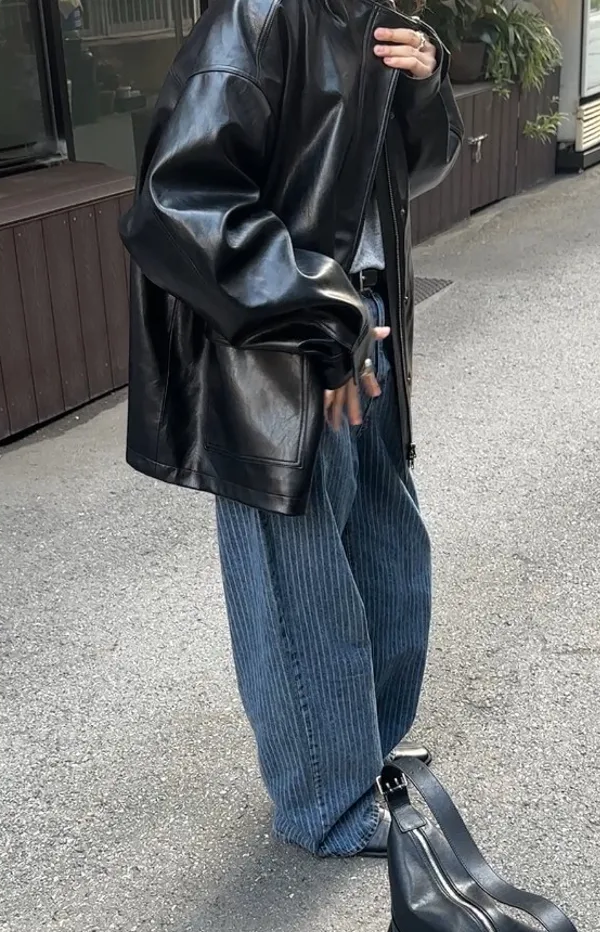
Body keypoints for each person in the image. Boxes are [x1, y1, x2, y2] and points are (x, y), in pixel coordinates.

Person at [119, 0, 462, 858]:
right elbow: (175, 202)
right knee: (298, 586)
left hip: (360, 326)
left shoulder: (373, 20)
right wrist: (320, 317)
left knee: (390, 556)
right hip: (285, 344)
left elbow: (407, 173)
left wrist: (426, 89)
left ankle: (361, 755)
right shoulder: (260, 15)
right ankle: (327, 804)